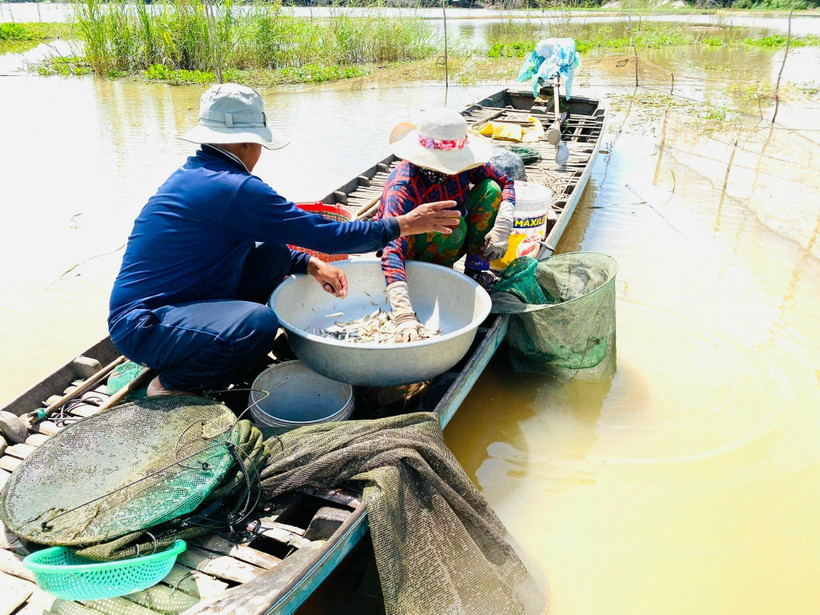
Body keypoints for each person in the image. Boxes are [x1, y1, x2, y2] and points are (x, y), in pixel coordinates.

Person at [108, 84, 460, 396]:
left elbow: (283, 244)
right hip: (145, 324)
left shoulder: (201, 174)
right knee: (258, 324)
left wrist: (308, 262)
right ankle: (172, 385)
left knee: (275, 253)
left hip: (176, 302)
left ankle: (208, 343)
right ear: (248, 142)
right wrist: (402, 224)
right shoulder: (235, 189)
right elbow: (328, 235)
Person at [377, 107, 516, 342]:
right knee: (454, 223)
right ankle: (439, 276)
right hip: (415, 249)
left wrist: (503, 225)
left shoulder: (468, 164)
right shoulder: (403, 186)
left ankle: (475, 267)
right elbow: (391, 248)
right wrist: (402, 313)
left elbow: (505, 183)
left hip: (453, 231)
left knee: (490, 190)